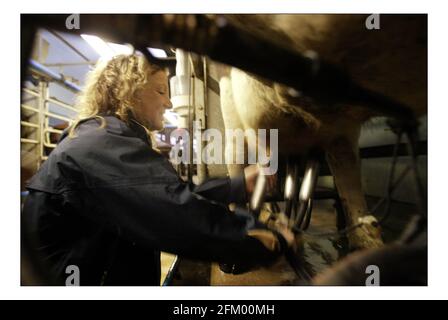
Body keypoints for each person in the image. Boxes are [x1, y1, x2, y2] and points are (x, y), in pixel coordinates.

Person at [22, 53, 293, 286]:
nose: (169, 103)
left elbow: (162, 192)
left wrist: (236, 185)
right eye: (161, 91)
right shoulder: (101, 145)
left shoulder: (103, 137)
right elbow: (173, 212)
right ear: (130, 91)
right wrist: (265, 240)